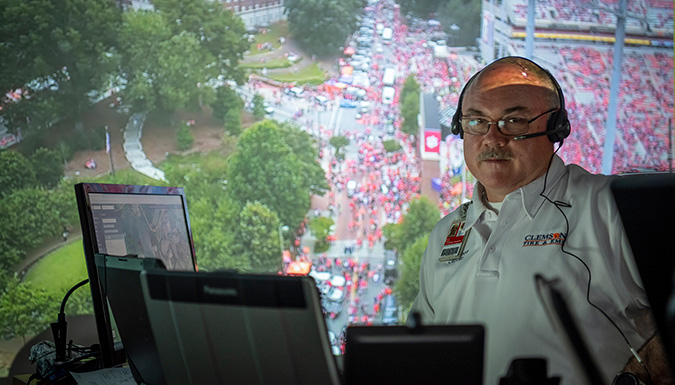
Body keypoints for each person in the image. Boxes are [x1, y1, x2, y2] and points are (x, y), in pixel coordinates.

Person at [409, 56, 671, 385]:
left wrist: (639, 376)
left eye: (514, 121)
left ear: (556, 128)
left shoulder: (607, 206)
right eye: (477, 122)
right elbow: (423, 351)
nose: (492, 138)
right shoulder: (445, 233)